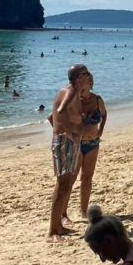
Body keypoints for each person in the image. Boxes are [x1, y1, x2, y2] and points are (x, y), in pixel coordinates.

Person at [47, 65, 88, 243]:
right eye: (86, 74)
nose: (88, 77)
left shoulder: (70, 91)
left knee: (64, 184)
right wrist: (70, 132)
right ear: (79, 77)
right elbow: (60, 111)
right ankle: (51, 232)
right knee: (63, 184)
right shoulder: (70, 91)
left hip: (66, 141)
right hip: (65, 142)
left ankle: (58, 226)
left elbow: (52, 116)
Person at [75, 74, 107, 220]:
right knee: (70, 179)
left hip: (93, 144)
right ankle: (63, 214)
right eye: (79, 82)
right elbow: (54, 117)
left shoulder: (97, 99)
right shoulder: (74, 101)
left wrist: (100, 130)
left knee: (87, 178)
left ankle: (83, 211)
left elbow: (105, 114)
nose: (81, 85)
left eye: (83, 82)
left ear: (90, 83)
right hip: (77, 144)